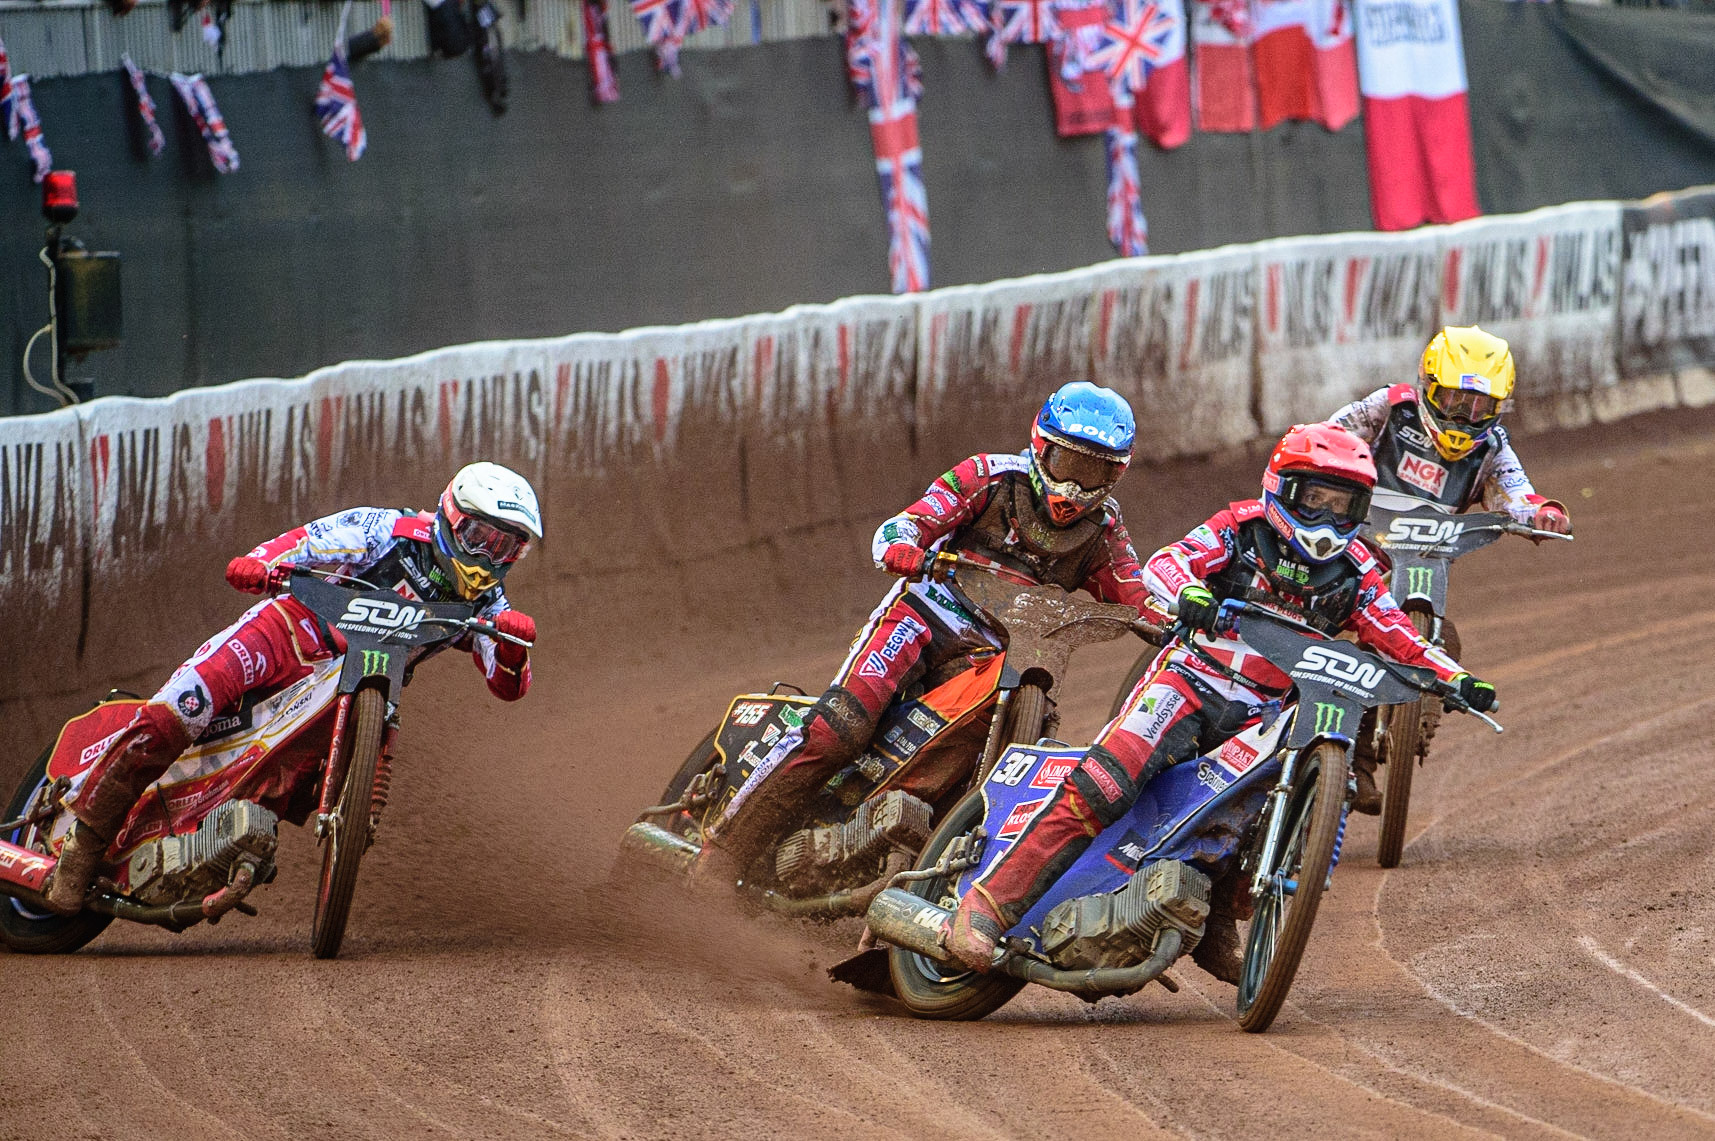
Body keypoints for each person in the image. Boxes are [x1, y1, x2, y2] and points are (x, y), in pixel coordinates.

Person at [942, 423, 1497, 983]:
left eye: (1342, 505)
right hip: (1188, 681)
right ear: (1282, 487)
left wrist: (1456, 678)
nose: (1327, 519)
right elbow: (1166, 562)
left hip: (1266, 712)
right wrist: (1190, 593)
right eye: (1315, 500)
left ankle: (1219, 924)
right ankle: (988, 906)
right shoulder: (1239, 527)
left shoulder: (1357, 573)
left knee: (1256, 817)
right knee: (1105, 784)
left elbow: (1397, 632)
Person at [693, 382, 1162, 890]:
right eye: (1070, 464)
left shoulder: (1105, 528)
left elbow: (1134, 591)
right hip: (925, 617)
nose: (1075, 487)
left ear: (1116, 473)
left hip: (997, 653)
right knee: (842, 725)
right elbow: (905, 525)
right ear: (1041, 446)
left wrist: (1167, 617)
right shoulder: (987, 475)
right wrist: (907, 548)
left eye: (1093, 471)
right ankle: (722, 852)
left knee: (1017, 740)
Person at [43, 461, 543, 915]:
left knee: (288, 783)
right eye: (480, 536)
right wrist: (260, 562)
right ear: (452, 517)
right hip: (285, 636)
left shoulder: (488, 607)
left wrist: (515, 648)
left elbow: (506, 684)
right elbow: (309, 540)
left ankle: (287, 833)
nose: (487, 556)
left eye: (505, 547)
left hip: (350, 689)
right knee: (185, 705)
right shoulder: (387, 531)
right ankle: (82, 845)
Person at [1327, 325, 1569, 812]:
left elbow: (1516, 493)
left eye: (1482, 408)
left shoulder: (1492, 447)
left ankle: (1368, 756)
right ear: (1429, 386)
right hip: (1349, 546)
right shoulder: (1389, 408)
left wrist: (1543, 513)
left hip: (1422, 562)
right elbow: (1328, 437)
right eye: (1458, 401)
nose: (1467, 416)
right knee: (1314, 618)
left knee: (1446, 640)